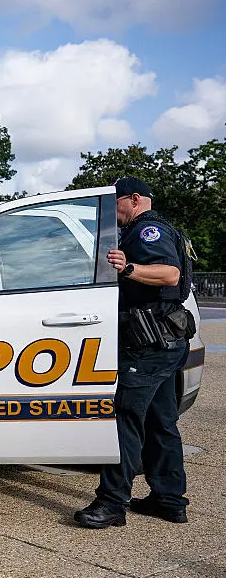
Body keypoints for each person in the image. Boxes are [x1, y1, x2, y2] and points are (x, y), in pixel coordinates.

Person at [75, 177, 193, 529]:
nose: (113, 210)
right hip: (165, 341)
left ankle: (112, 502)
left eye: (115, 202)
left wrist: (128, 268)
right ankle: (169, 499)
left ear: (135, 199)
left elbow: (170, 274)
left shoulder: (147, 231)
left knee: (124, 420)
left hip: (148, 344)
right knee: (160, 422)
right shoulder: (158, 230)